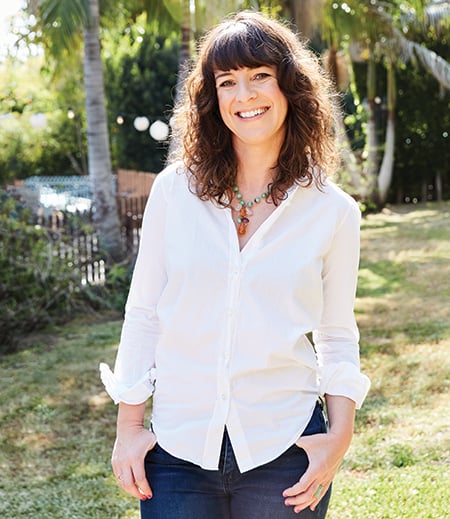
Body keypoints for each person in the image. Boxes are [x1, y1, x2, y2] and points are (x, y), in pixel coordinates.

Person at [99, 10, 370, 519]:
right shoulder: (173, 192)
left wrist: (339, 437)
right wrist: (129, 429)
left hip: (285, 447)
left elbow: (336, 333)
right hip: (177, 451)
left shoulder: (333, 211)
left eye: (260, 76)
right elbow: (145, 313)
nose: (244, 95)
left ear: (290, 86)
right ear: (212, 98)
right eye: (227, 81)